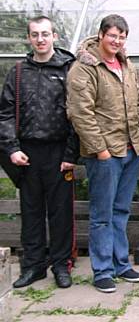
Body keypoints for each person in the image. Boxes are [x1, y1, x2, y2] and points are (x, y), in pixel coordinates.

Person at [67, 14, 139, 293]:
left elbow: (136, 100)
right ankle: (102, 270)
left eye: (122, 37)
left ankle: (121, 265)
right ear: (101, 35)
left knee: (121, 210)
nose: (117, 41)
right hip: (104, 154)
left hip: (130, 149)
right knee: (102, 213)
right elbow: (80, 113)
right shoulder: (84, 67)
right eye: (112, 35)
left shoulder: (127, 65)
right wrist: (99, 149)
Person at [0, 16, 78, 289]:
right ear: (30, 38)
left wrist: (71, 154)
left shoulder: (69, 69)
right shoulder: (19, 72)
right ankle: (33, 267)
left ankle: (61, 265)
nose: (41, 39)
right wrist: (12, 148)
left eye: (45, 34)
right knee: (30, 212)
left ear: (55, 36)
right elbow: (6, 113)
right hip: (27, 153)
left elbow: (77, 115)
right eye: (35, 34)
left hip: (59, 153)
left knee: (61, 213)